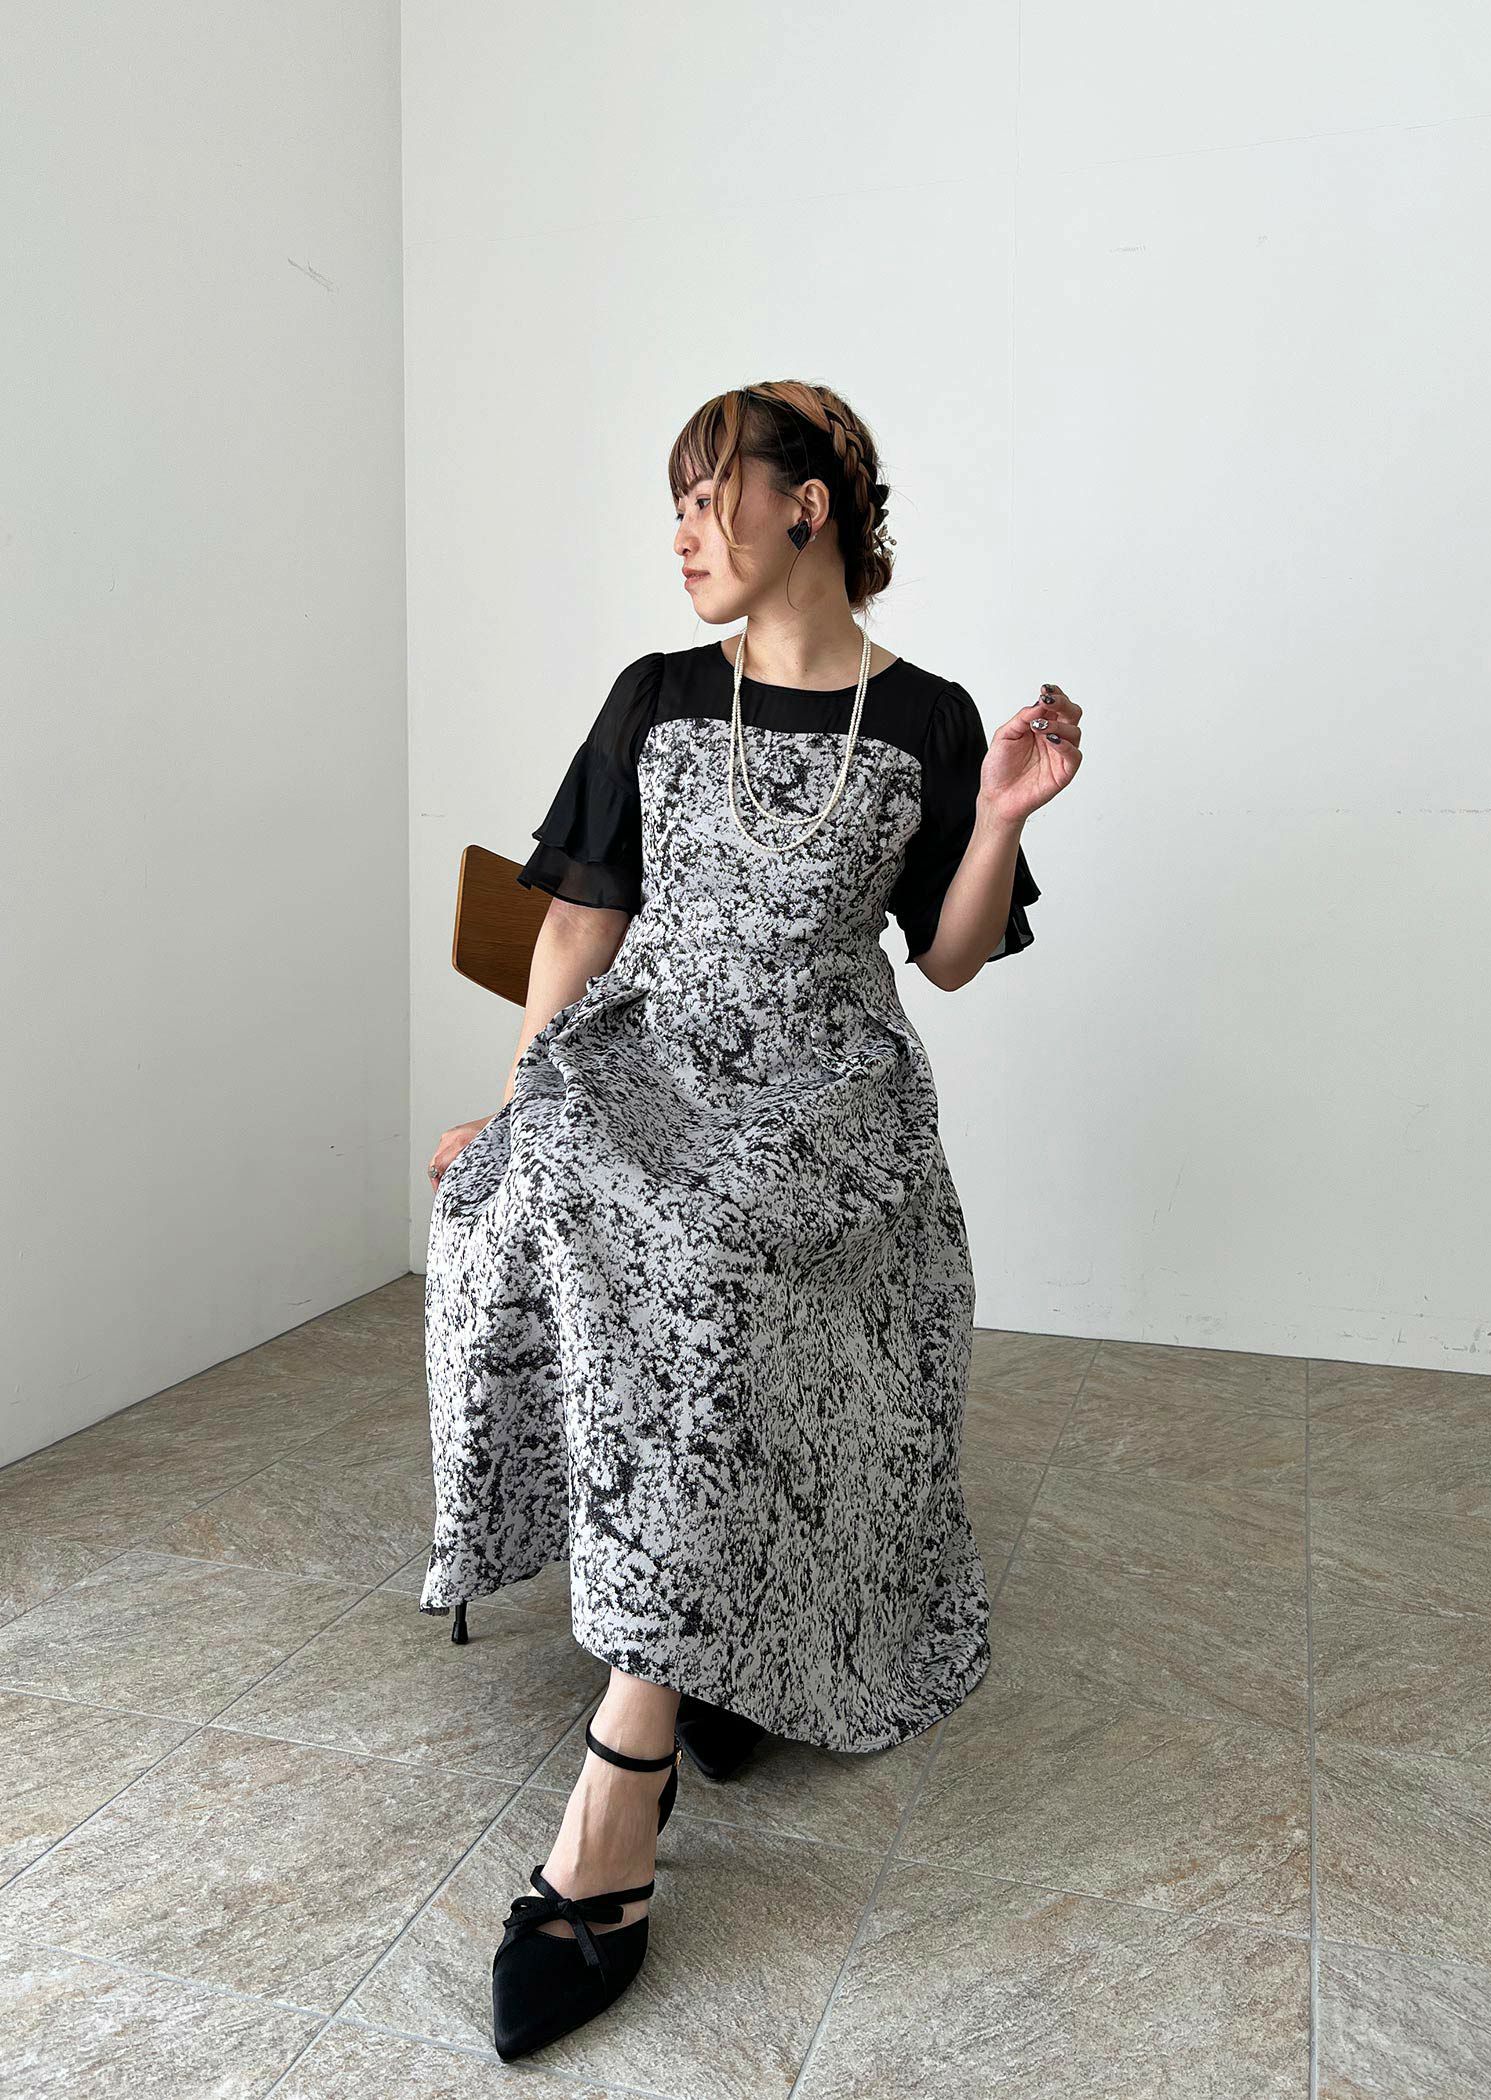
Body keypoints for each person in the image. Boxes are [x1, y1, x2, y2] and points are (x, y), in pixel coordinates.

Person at [421, 379, 1083, 2061]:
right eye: (675, 502)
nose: (684, 531)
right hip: (654, 1060)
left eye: (711, 494)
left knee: (723, 1273)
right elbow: (578, 920)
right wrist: (525, 1096)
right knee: (536, 1203)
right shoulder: (656, 695)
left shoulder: (925, 716)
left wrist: (1002, 815)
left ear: (809, 504)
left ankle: (620, 1782)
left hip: (830, 1099)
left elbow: (947, 960)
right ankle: (697, 1645)